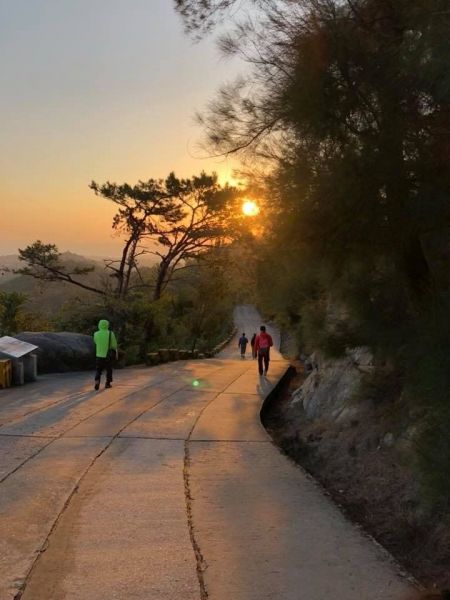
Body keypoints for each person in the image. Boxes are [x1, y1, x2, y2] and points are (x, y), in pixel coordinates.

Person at [93, 319, 118, 390]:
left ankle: (97, 381)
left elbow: (95, 342)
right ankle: (107, 383)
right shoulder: (111, 333)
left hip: (99, 355)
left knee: (98, 370)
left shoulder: (96, 333)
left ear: (99, 325)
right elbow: (114, 345)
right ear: (107, 325)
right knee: (109, 370)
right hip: (108, 355)